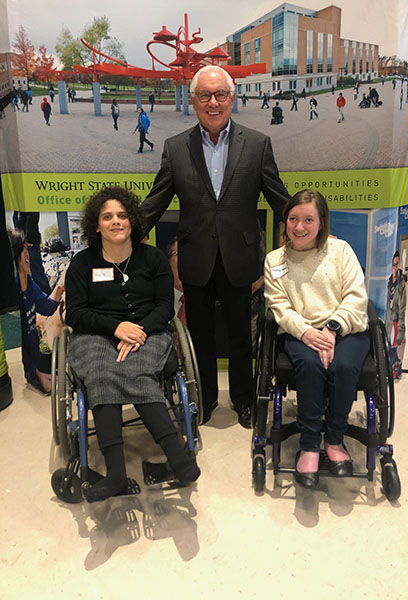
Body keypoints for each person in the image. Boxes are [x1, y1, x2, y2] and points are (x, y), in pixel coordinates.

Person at [141, 65, 289, 428]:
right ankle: (204, 400)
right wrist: (123, 231)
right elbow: (156, 201)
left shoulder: (257, 144)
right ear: (193, 101)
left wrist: (312, 227)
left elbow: (278, 196)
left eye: (220, 94)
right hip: (196, 258)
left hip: (240, 255)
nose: (213, 102)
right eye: (204, 95)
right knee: (200, 337)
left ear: (232, 98)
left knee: (242, 335)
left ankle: (244, 399)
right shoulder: (175, 148)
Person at [65, 187, 200, 503]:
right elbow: (75, 313)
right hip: (95, 335)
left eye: (122, 215)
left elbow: (166, 306)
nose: (115, 222)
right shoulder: (83, 264)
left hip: (148, 333)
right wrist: (116, 327)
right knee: (100, 370)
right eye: (107, 216)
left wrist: (139, 330)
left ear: (133, 221)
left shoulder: (152, 258)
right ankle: (116, 475)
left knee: (136, 367)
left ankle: (176, 459)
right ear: (96, 225)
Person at [264, 190, 370, 489]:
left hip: (345, 328)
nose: (299, 227)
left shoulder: (341, 251)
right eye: (293, 219)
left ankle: (335, 440)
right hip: (302, 330)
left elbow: (355, 296)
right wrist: (306, 331)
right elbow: (279, 305)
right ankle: (310, 444)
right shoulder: (275, 260)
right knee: (310, 367)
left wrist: (333, 328)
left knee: (343, 368)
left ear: (321, 222)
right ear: (284, 221)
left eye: (308, 220)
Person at [10, 229, 64, 394]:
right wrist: (35, 372)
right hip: (31, 363)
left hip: (36, 357)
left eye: (28, 250)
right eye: (23, 250)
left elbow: (46, 307)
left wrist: (61, 286)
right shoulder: (11, 292)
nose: (28, 256)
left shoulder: (30, 283)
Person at [385, 250, 407, 379]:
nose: (395, 267)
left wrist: (401, 328)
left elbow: (402, 308)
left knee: (393, 346)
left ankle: (393, 371)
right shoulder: (387, 282)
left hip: (395, 321)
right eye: (393, 264)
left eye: (396, 264)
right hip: (387, 320)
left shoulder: (401, 283)